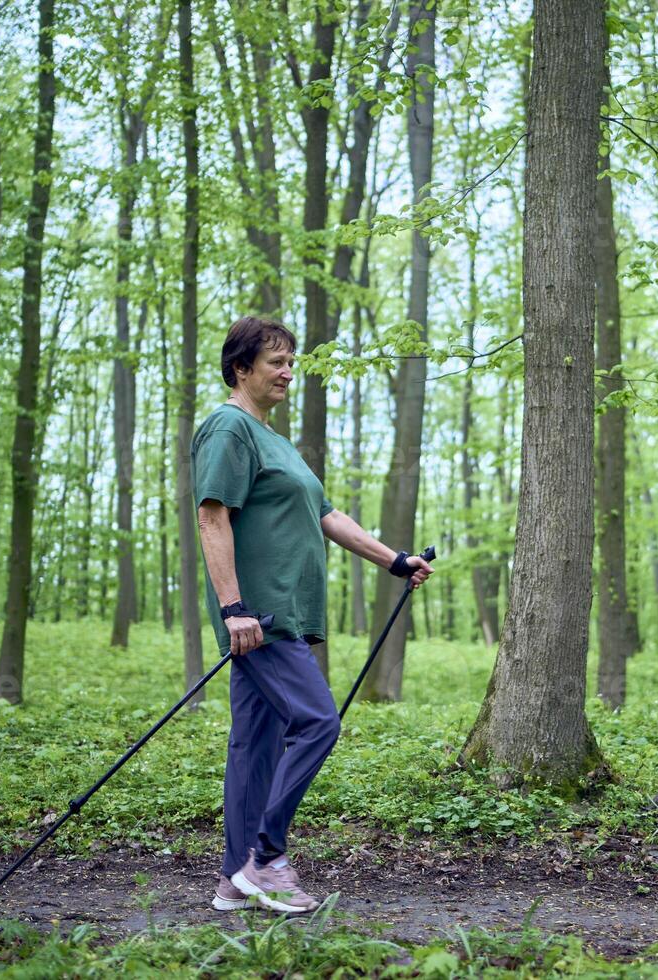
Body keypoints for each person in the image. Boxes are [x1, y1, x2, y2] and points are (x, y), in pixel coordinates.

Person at [193, 316, 433, 914]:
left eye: (291, 360)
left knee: (255, 744)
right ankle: (267, 859)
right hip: (261, 616)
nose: (287, 371)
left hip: (284, 613)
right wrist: (234, 609)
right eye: (274, 361)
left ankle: (234, 879)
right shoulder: (228, 427)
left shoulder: (274, 439)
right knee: (318, 721)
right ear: (240, 368)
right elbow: (212, 517)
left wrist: (394, 560)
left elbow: (326, 514)